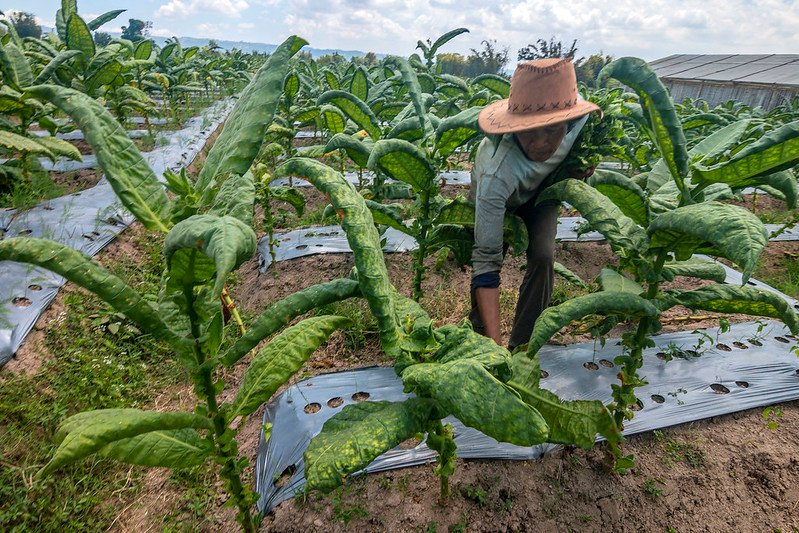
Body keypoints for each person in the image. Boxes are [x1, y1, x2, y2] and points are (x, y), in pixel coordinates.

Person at [469, 57, 601, 350]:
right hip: (499, 200)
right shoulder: (496, 171)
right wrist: (495, 351)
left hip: (541, 192)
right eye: (530, 130)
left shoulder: (579, 119)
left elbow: (582, 157)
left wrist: (580, 170)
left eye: (552, 129)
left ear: (567, 121)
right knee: (490, 256)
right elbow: (486, 265)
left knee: (543, 256)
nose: (541, 142)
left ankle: (525, 345)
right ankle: (483, 344)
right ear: (514, 126)